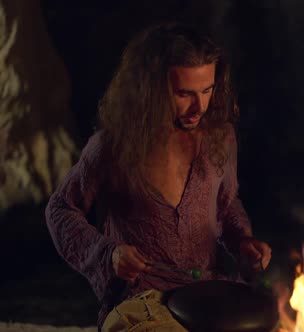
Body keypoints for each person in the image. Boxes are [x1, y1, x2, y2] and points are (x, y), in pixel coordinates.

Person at [45, 23, 272, 331]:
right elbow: (60, 210)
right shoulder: (114, 145)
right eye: (184, 94)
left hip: (207, 295)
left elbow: (226, 204)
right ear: (151, 87)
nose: (199, 107)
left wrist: (244, 243)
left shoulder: (221, 137)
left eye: (207, 90)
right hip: (143, 301)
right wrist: (108, 254)